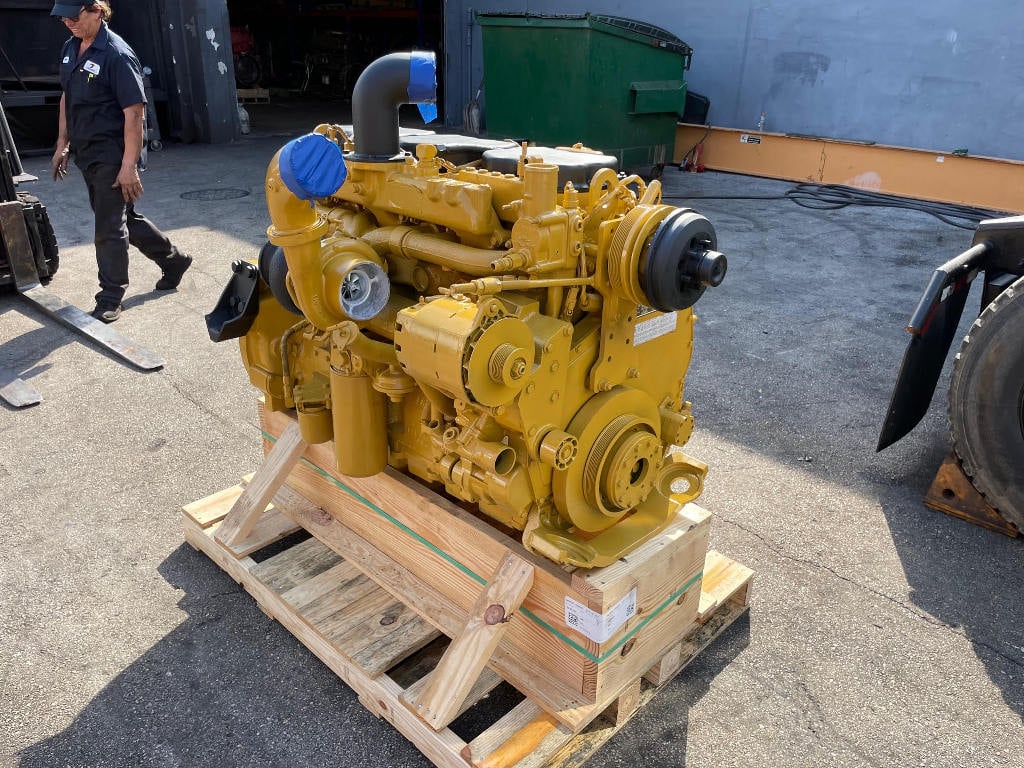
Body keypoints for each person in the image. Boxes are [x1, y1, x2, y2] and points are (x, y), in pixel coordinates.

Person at [50, 1, 191, 323]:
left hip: (112, 154)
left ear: (97, 11)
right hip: (86, 150)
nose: (68, 23)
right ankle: (173, 260)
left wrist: (129, 166)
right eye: (63, 18)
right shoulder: (71, 47)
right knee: (120, 216)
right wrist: (63, 142)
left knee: (108, 227)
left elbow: (134, 113)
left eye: (74, 16)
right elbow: (67, 96)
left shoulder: (117, 54)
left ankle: (110, 296)